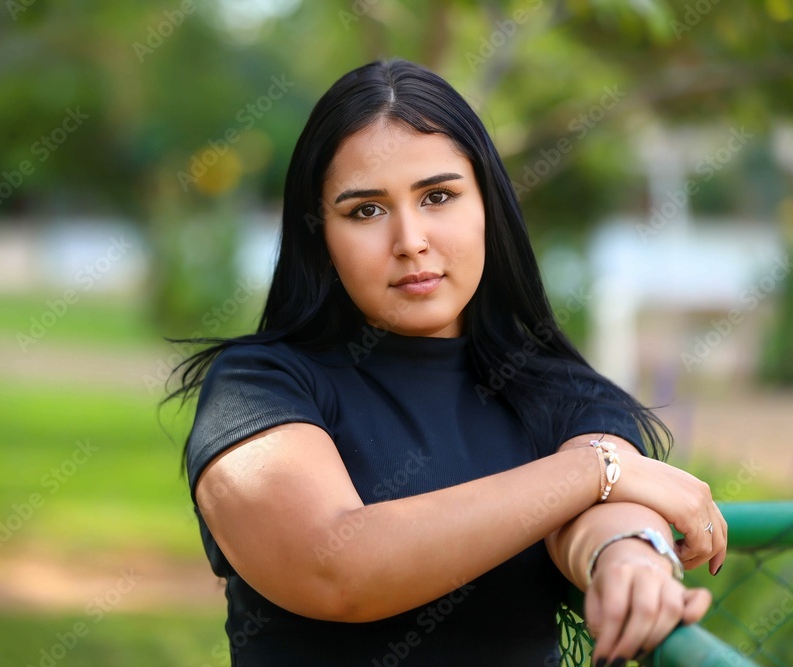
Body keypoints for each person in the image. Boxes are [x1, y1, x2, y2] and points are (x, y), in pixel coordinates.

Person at [168, 59, 727, 666]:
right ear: (319, 235)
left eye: (438, 196)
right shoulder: (260, 387)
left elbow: (598, 525)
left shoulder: (555, 391)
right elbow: (334, 568)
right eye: (366, 210)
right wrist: (596, 469)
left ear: (487, 204)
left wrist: (631, 559)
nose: (410, 240)